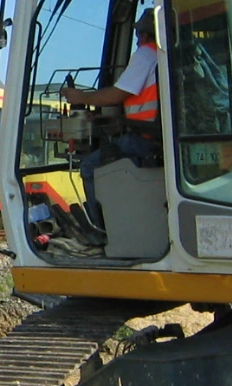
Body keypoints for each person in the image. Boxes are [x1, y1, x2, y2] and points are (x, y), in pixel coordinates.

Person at [60, 7, 161, 229]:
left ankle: (104, 229)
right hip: (151, 135)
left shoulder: (146, 54)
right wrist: (102, 118)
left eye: (137, 37)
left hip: (145, 139)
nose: (136, 42)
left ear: (144, 35)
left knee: (90, 166)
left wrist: (81, 96)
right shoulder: (164, 57)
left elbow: (117, 94)